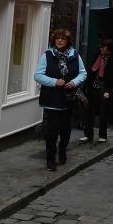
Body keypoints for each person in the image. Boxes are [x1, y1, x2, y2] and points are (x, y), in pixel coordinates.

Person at [35, 29, 87, 172]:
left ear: (67, 41)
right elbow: (38, 75)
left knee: (65, 130)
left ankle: (62, 150)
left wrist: (75, 82)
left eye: (63, 39)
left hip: (68, 99)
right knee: (51, 132)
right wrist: (54, 81)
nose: (60, 41)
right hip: (52, 99)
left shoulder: (75, 55)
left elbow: (83, 73)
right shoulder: (47, 55)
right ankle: (50, 159)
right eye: (57, 38)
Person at [81, 39, 113, 144]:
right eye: (101, 46)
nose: (102, 48)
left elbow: (111, 78)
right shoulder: (96, 57)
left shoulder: (112, 61)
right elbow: (91, 72)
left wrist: (108, 91)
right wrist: (86, 87)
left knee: (103, 113)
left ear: (109, 49)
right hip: (93, 88)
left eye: (104, 47)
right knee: (89, 112)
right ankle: (88, 135)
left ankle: (102, 135)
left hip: (103, 89)